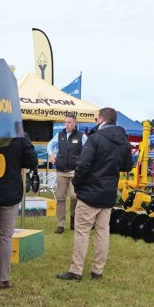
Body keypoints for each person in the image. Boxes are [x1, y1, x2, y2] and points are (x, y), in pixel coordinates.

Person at [57, 107, 133, 281]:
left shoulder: (95, 138)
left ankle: (76, 270)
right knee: (102, 232)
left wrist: (77, 183)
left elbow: (83, 165)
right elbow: (128, 166)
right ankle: (97, 271)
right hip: (108, 193)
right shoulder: (123, 140)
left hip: (90, 192)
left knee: (82, 231)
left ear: (100, 120)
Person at [0, 132, 37, 289]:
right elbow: (32, 160)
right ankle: (3, 280)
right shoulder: (20, 136)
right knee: (6, 237)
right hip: (11, 192)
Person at [47, 113, 86, 234]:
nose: (67, 124)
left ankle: (73, 217)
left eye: (69, 122)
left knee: (74, 196)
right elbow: (50, 144)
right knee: (60, 198)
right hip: (61, 170)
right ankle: (60, 224)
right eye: (65, 122)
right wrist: (51, 154)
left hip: (75, 171)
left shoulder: (81, 136)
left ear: (75, 124)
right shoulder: (60, 134)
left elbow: (88, 150)